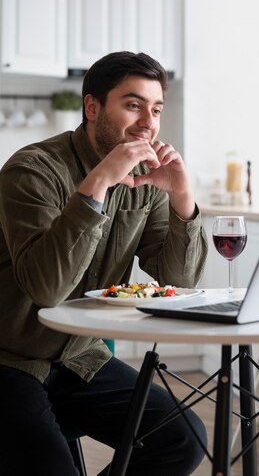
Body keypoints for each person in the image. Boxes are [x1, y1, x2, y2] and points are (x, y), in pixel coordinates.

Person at [0, 51, 208, 476]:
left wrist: (182, 200)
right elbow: (46, 290)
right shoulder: (32, 171)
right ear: (92, 107)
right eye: (133, 105)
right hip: (10, 361)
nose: (148, 122)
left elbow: (178, 280)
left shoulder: (147, 181)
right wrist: (96, 184)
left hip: (80, 359)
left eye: (156, 109)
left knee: (182, 435)